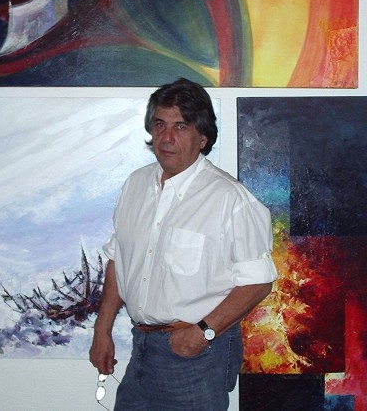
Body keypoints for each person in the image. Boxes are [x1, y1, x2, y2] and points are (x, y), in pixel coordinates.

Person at [89, 78, 277, 410]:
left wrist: (202, 333)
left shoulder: (229, 198)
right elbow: (119, 260)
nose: (167, 137)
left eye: (181, 126)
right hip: (141, 346)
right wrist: (102, 331)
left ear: (203, 137)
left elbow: (258, 282)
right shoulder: (135, 185)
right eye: (160, 124)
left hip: (196, 355)